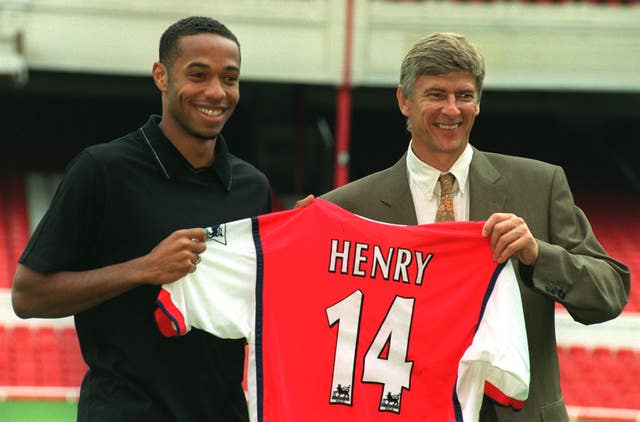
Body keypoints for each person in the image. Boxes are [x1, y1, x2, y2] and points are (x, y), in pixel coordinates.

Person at [320, 32, 630, 421]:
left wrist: (538, 256)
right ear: (404, 101)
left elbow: (611, 293)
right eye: (436, 94)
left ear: (478, 103)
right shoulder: (349, 208)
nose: (452, 109)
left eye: (464, 95)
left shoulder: (539, 185)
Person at [11, 16, 271, 421]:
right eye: (198, 74)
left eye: (230, 78)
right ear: (161, 76)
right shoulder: (102, 170)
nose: (216, 92)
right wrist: (144, 269)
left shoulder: (252, 187)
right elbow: (28, 295)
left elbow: (263, 303)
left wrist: (301, 235)